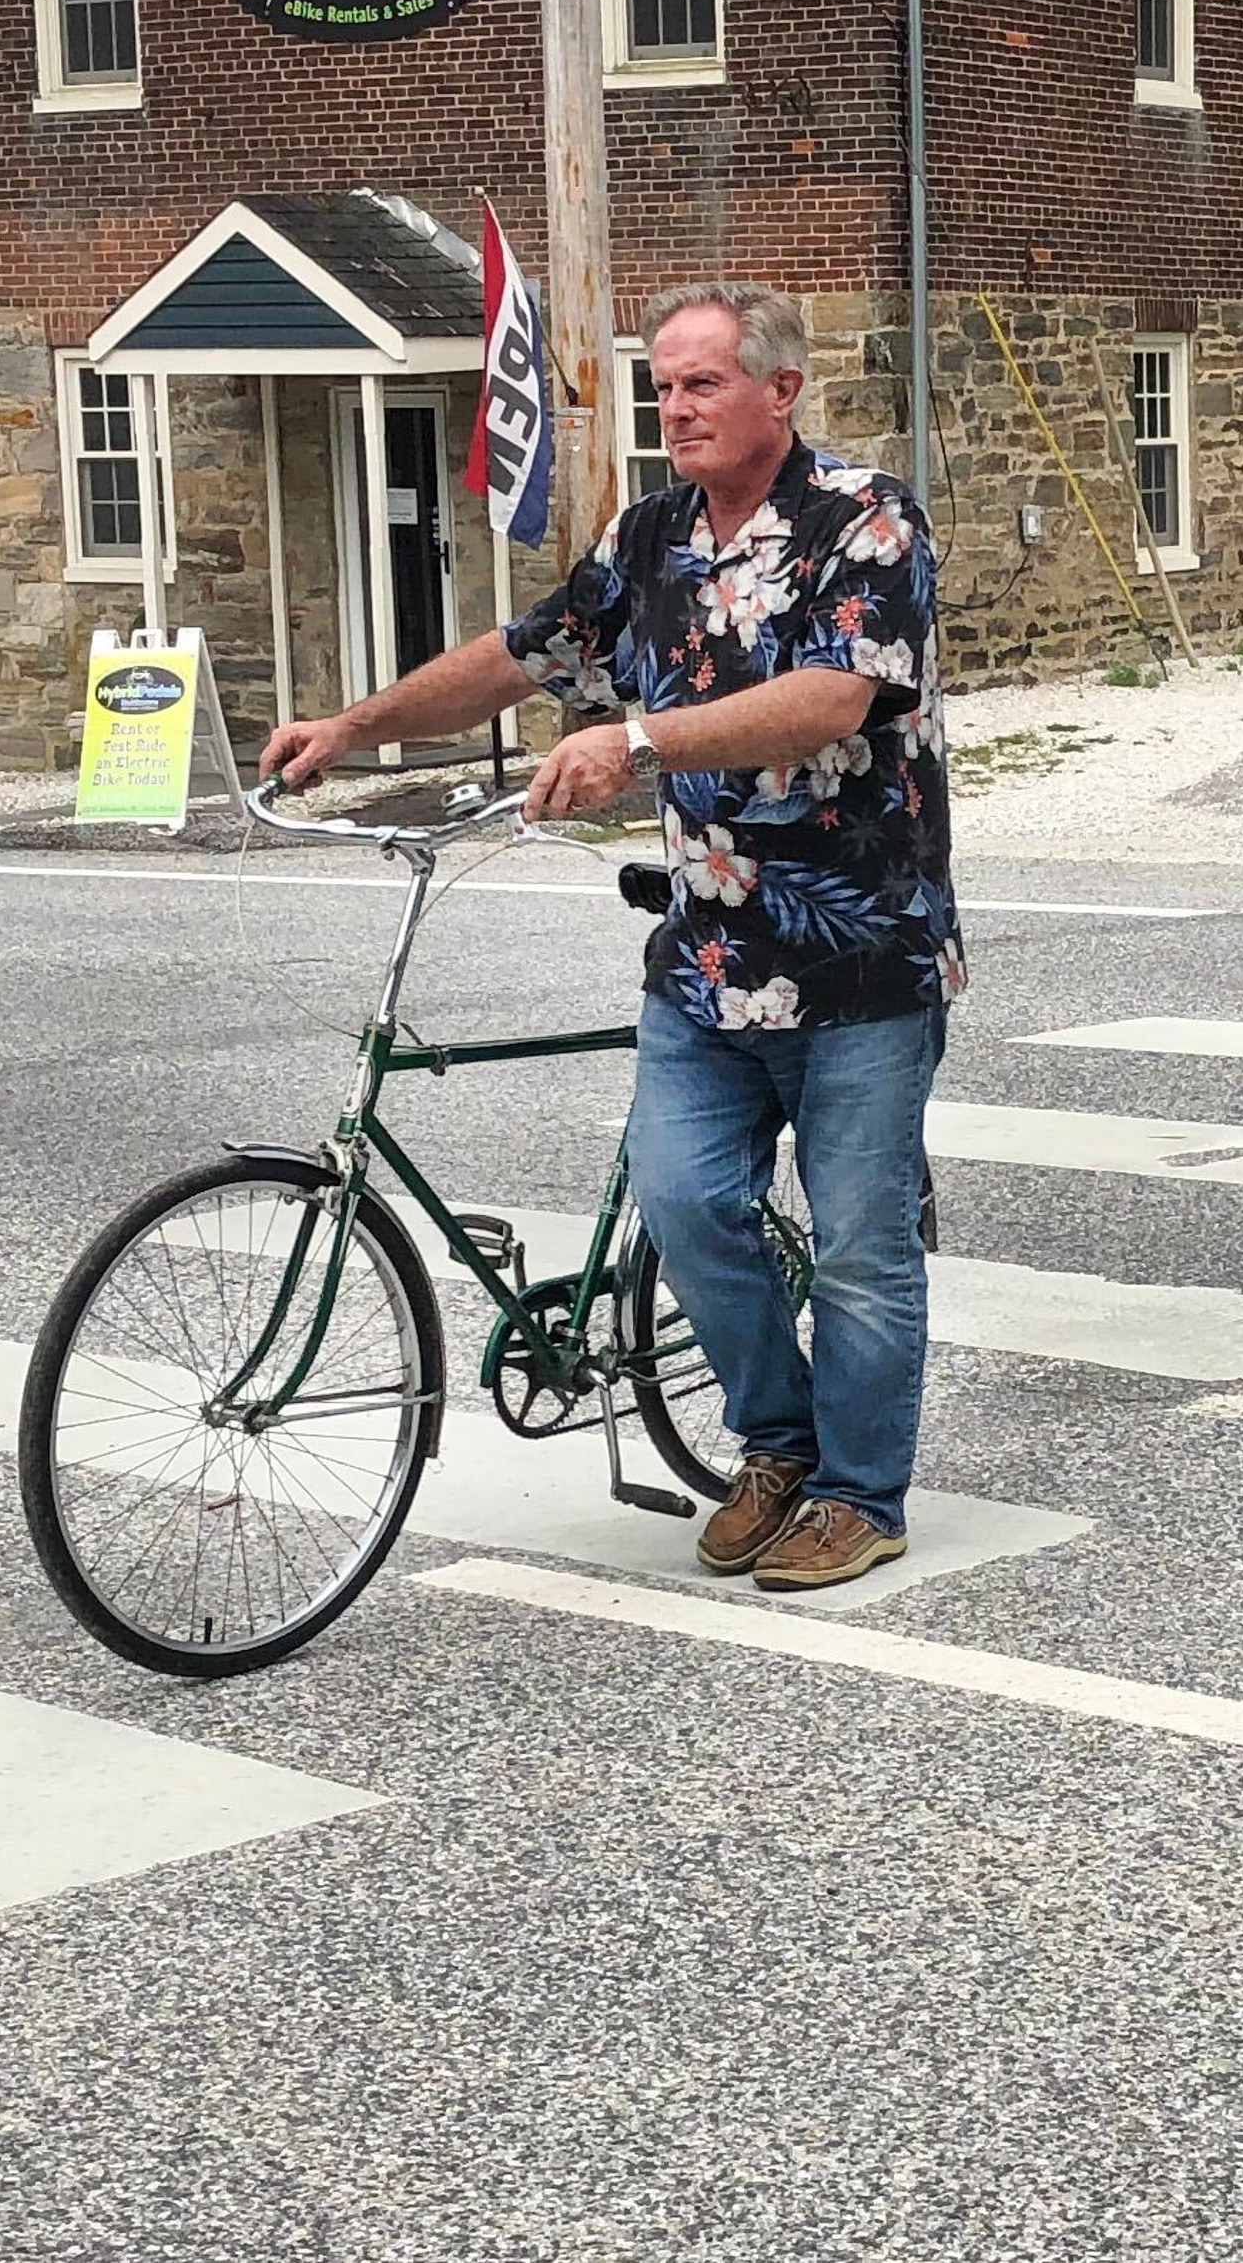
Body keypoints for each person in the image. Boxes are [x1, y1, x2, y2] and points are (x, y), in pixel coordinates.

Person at [257, 281, 958, 1592]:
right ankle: (781, 1446)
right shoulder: (647, 541)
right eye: (662, 384)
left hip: (864, 955)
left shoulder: (864, 522)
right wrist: (355, 726)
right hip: (708, 963)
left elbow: (830, 697)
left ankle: (863, 1492)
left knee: (859, 1240)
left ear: (779, 391)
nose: (674, 406)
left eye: (700, 382)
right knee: (692, 1206)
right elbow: (525, 654)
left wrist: (636, 738)